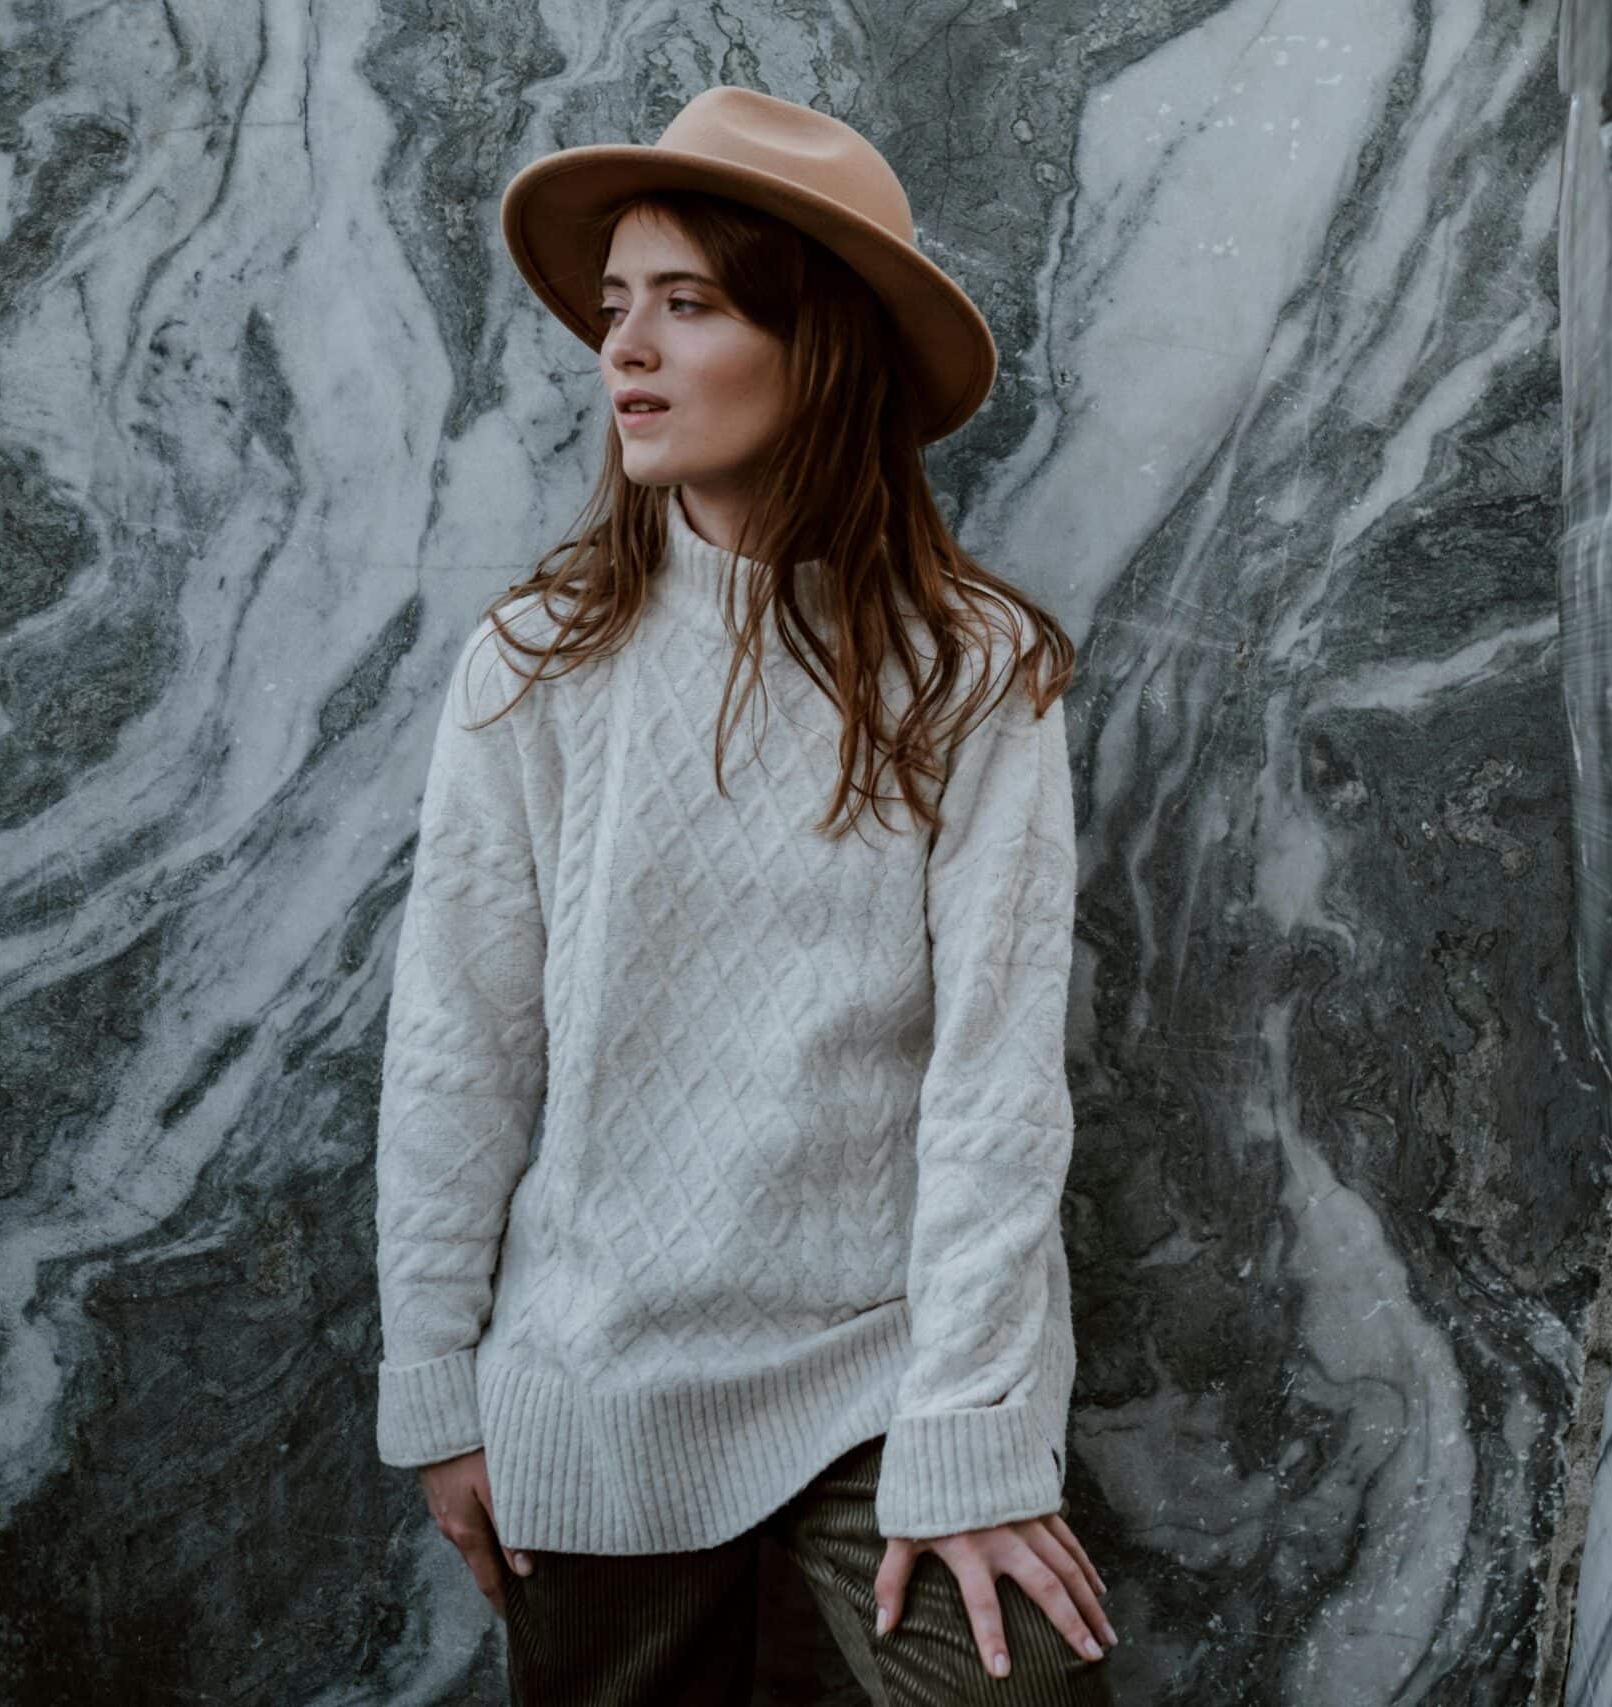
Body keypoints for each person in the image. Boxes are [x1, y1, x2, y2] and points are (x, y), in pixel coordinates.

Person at [370, 85, 1117, 1704]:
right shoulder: (535, 665)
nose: (622, 351)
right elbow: (458, 1043)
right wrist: (438, 1387)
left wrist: (975, 1432)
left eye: (688, 306)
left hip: (884, 1370)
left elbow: (997, 1080)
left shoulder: (973, 672)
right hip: (603, 1368)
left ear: (820, 345)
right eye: (615, 307)